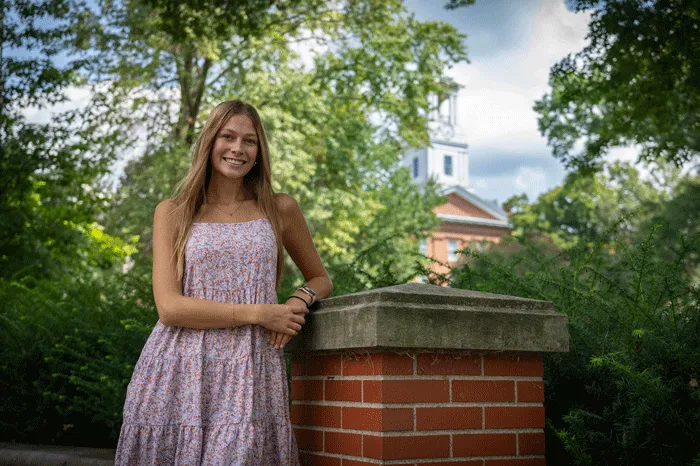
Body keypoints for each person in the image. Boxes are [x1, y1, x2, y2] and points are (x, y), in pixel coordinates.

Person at [114, 99, 333, 465]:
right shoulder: (173, 212)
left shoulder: (280, 209)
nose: (238, 149)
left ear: (259, 150)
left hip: (251, 367)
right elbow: (169, 308)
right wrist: (260, 313)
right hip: (179, 369)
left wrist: (298, 301)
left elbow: (320, 278)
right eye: (227, 137)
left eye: (249, 141)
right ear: (209, 142)